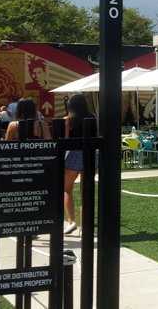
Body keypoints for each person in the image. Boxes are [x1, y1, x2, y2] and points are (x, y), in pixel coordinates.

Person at [63, 94, 92, 235]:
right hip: (90, 154)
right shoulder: (92, 117)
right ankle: (84, 224)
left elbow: (65, 139)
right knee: (85, 190)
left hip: (74, 154)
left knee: (67, 189)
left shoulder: (68, 119)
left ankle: (71, 221)